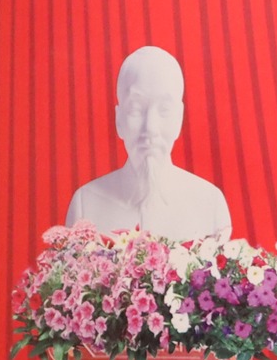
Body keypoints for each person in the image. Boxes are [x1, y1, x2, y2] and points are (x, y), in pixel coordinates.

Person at [64, 45, 232, 242]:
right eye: (136, 109)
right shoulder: (86, 205)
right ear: (119, 120)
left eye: (164, 109)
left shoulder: (210, 204)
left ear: (179, 118)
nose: (150, 127)